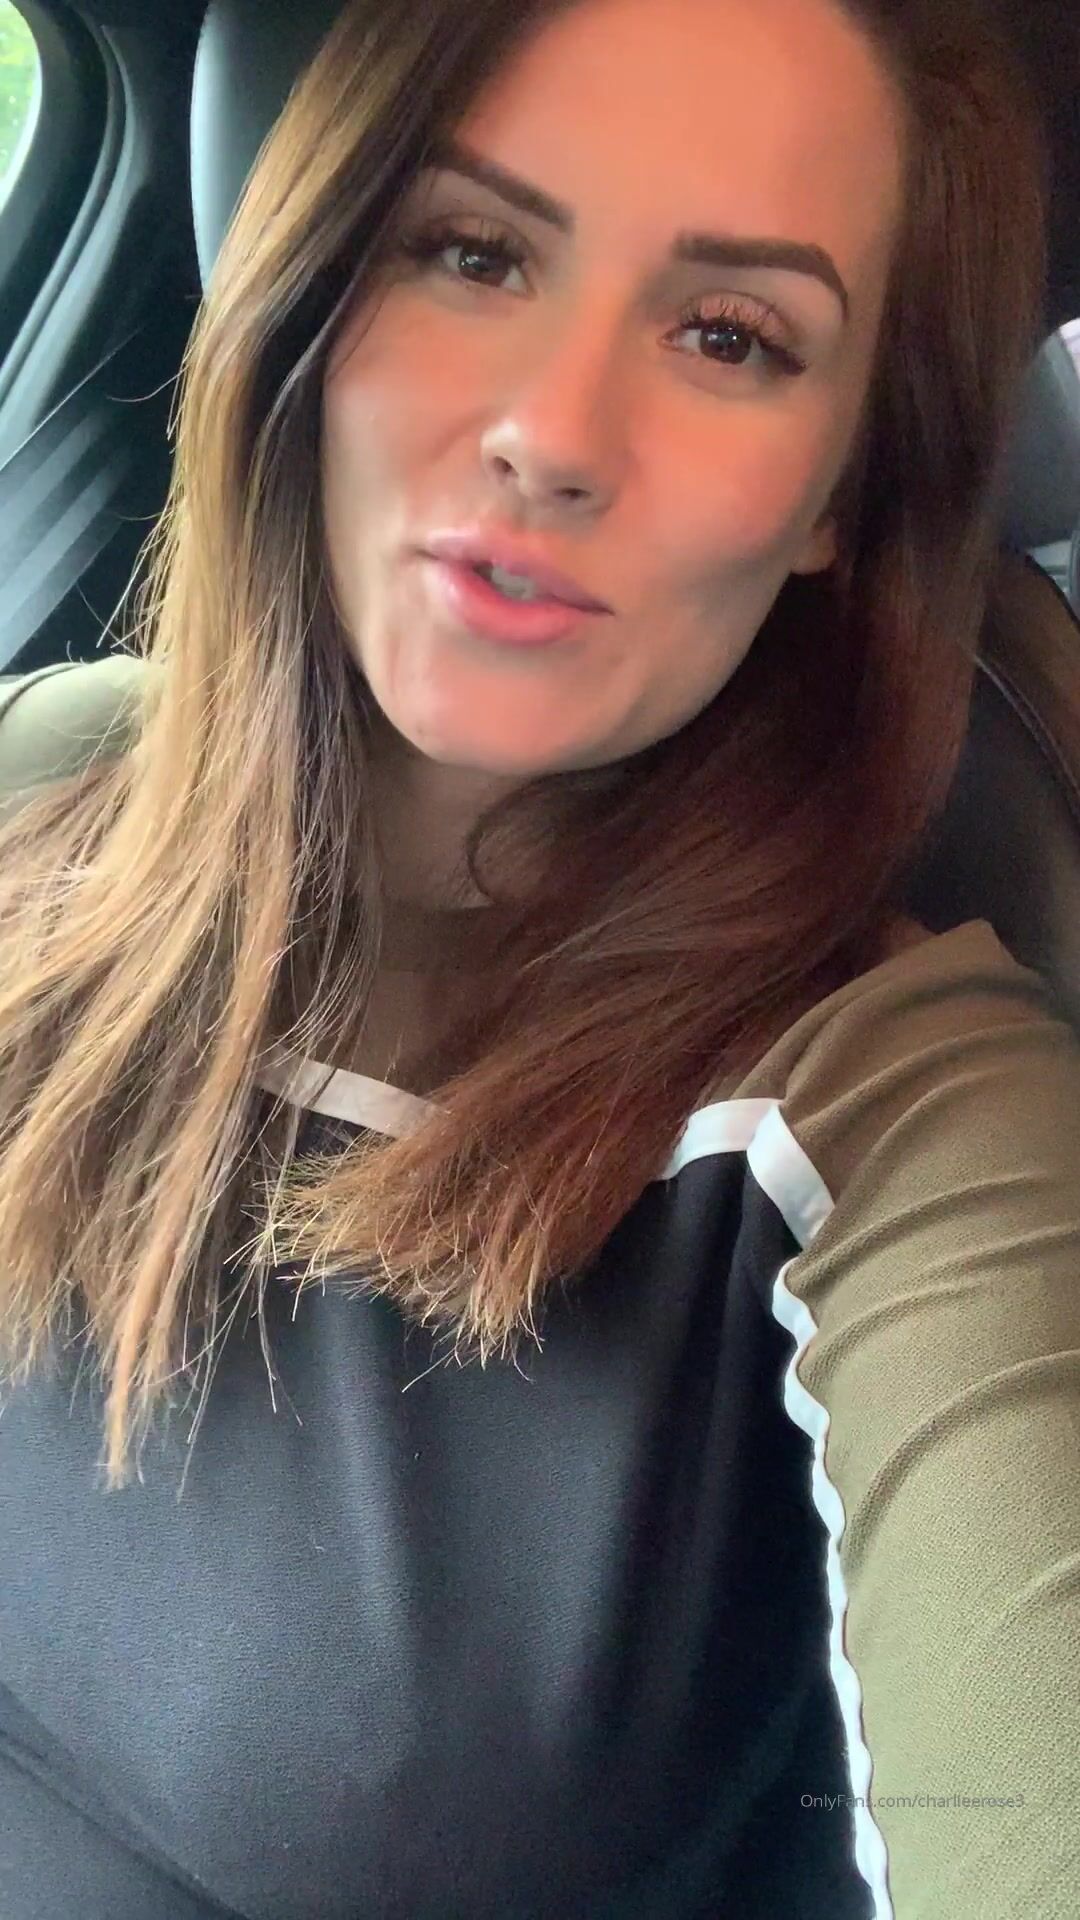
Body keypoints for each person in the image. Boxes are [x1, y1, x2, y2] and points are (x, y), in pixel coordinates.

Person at [0, 0, 1076, 1914]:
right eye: (474, 252)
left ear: (840, 494)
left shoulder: (907, 1117)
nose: (553, 436)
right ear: (321, 289)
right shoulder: (48, 777)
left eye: (729, 336)